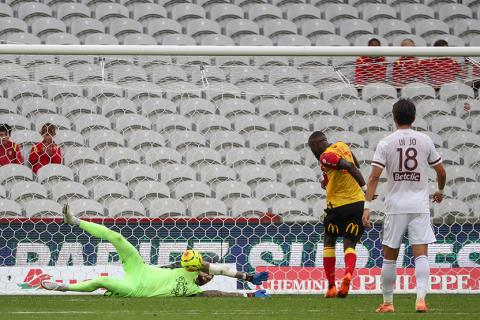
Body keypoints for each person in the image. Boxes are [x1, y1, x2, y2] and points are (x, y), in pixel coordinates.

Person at [41, 203, 270, 298]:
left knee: (105, 281)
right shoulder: (190, 268)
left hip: (136, 289)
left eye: (208, 277)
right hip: (141, 269)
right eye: (207, 273)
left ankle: (63, 287)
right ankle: (75, 221)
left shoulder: (194, 292)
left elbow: (220, 295)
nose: (208, 277)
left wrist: (248, 295)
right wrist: (248, 277)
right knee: (117, 237)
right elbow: (219, 269)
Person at [362, 99, 446, 313]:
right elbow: (441, 172)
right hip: (419, 206)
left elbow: (373, 178)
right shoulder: (425, 140)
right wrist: (440, 191)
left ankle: (389, 303)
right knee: (421, 255)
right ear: (414, 117)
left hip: (395, 206)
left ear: (393, 117)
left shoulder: (386, 142)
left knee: (390, 258)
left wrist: (367, 206)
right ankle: (420, 300)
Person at [308, 132, 367, 298]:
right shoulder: (342, 145)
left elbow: (350, 167)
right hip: (357, 204)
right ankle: (348, 274)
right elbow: (355, 164)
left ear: (316, 145)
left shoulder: (325, 156)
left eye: (312, 147)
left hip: (337, 208)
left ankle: (332, 287)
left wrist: (365, 188)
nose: (312, 151)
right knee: (350, 244)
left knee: (329, 241)